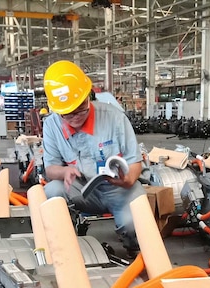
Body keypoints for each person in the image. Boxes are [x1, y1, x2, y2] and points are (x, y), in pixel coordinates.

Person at [41, 60, 145, 252]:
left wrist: (127, 179)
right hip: (82, 190)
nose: (75, 118)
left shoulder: (114, 117)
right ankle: (67, 247)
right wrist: (64, 171)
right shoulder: (51, 125)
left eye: (81, 109)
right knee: (52, 192)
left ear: (88, 97)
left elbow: (135, 161)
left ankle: (133, 247)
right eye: (68, 115)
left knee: (135, 224)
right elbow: (50, 168)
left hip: (120, 190)